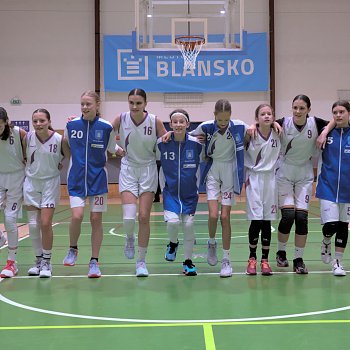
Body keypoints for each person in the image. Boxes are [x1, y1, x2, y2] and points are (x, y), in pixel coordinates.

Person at [274, 94, 333, 274]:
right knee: (288, 216)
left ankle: (298, 259)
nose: (298, 111)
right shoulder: (283, 122)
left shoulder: (315, 123)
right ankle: (281, 252)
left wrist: (324, 132)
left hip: (305, 173)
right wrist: (255, 125)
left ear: (308, 110)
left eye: (302, 108)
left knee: (301, 218)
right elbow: (261, 122)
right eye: (295, 108)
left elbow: (334, 121)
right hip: (284, 171)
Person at [112, 88, 167, 277]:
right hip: (128, 168)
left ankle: (141, 261)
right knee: (128, 217)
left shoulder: (155, 120)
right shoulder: (121, 118)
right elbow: (104, 135)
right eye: (131, 102)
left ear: (145, 103)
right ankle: (129, 238)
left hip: (149, 169)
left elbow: (166, 141)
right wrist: (116, 150)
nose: (134, 106)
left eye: (138, 103)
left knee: (143, 216)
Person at [62, 90, 118, 278]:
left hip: (98, 180)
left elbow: (112, 148)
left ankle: (94, 261)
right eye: (82, 104)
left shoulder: (106, 127)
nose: (85, 107)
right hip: (76, 179)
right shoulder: (71, 125)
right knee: (77, 216)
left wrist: (126, 151)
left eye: (88, 104)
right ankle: (73, 249)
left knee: (96, 220)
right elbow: (66, 145)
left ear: (97, 105)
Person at [191, 99, 248, 278]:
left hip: (230, 171)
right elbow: (186, 135)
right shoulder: (206, 126)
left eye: (226, 120)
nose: (223, 123)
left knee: (225, 216)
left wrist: (259, 127)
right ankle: (211, 244)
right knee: (213, 215)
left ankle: (226, 259)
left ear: (230, 116)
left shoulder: (239, 126)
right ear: (214, 115)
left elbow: (257, 127)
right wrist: (195, 139)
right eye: (220, 120)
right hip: (213, 171)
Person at [157, 109, 203, 276]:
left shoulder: (197, 144)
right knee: (173, 223)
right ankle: (173, 243)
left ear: (188, 124)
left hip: (190, 194)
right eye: (174, 122)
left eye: (181, 121)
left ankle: (188, 262)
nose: (178, 124)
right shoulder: (162, 143)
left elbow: (209, 155)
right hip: (170, 193)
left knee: (189, 226)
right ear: (170, 124)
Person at [24, 109, 64, 278]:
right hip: (31, 182)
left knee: (45, 223)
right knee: (33, 225)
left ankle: (47, 261)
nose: (38, 124)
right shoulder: (27, 138)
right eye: (35, 121)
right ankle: (38, 260)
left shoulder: (59, 139)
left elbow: (68, 157)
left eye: (42, 120)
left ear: (49, 121)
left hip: (50, 183)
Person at [244, 104, 280, 276]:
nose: (266, 116)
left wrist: (276, 124)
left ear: (273, 117)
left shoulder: (278, 132)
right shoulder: (249, 133)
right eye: (262, 114)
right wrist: (251, 125)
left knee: (267, 221)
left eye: (269, 114)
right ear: (256, 118)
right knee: (256, 220)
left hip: (271, 179)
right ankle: (252, 258)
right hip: (254, 178)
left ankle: (265, 260)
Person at [316, 100, 350, 276]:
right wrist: (324, 131)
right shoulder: (326, 131)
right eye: (335, 112)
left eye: (342, 111)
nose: (338, 115)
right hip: (327, 187)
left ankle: (337, 262)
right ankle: (326, 240)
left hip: (348, 190)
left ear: (348, 113)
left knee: (343, 225)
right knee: (331, 225)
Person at [0, 107, 26, 278]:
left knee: (9, 219)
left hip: (16, 177)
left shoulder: (18, 133)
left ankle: (11, 263)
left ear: (6, 121)